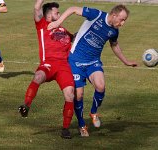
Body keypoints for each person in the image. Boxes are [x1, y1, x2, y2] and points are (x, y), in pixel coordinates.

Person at [48, 4, 138, 137]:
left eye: (124, 20)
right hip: (76, 61)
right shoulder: (96, 15)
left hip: (93, 62)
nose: (122, 23)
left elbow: (114, 45)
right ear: (114, 15)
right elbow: (73, 9)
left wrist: (126, 61)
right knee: (78, 95)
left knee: (100, 86)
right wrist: (58, 22)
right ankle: (81, 124)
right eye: (122, 19)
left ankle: (93, 112)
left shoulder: (114, 31)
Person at [18, 0, 75, 139]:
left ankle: (65, 129)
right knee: (37, 76)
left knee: (70, 95)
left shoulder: (63, 29)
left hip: (63, 66)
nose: (60, 15)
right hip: (48, 64)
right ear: (49, 15)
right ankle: (26, 105)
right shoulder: (42, 24)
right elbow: (37, 7)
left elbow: (76, 38)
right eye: (57, 12)